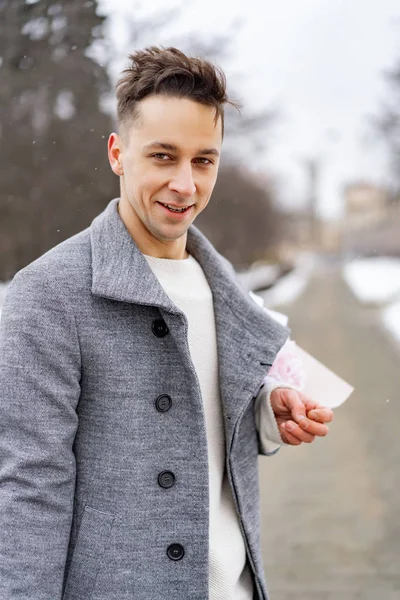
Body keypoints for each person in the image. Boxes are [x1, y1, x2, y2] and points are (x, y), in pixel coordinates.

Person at [0, 46, 333, 600]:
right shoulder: (48, 294)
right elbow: (29, 491)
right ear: (117, 153)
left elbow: (192, 418)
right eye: (162, 156)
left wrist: (263, 409)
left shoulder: (224, 285)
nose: (186, 184)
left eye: (204, 160)